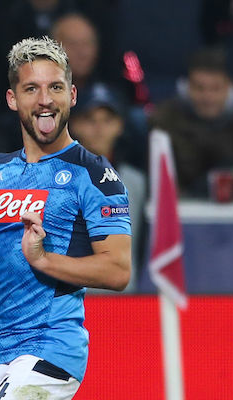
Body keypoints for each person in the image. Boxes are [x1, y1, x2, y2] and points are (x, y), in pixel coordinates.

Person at [0, 37, 131, 399]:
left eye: (55, 87)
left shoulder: (94, 174)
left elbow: (118, 271)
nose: (45, 100)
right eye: (31, 89)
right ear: (13, 99)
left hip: (51, 349)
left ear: (72, 95)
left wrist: (43, 259)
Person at [69, 83, 146, 293]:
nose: (99, 128)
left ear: (120, 125)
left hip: (120, 299)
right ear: (74, 124)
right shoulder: (57, 177)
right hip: (71, 299)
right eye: (90, 120)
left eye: (107, 120)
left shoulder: (135, 181)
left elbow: (141, 242)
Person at [150, 47, 233, 198]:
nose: (207, 97)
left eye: (215, 88)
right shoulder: (164, 119)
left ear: (229, 87)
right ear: (186, 86)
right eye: (199, 88)